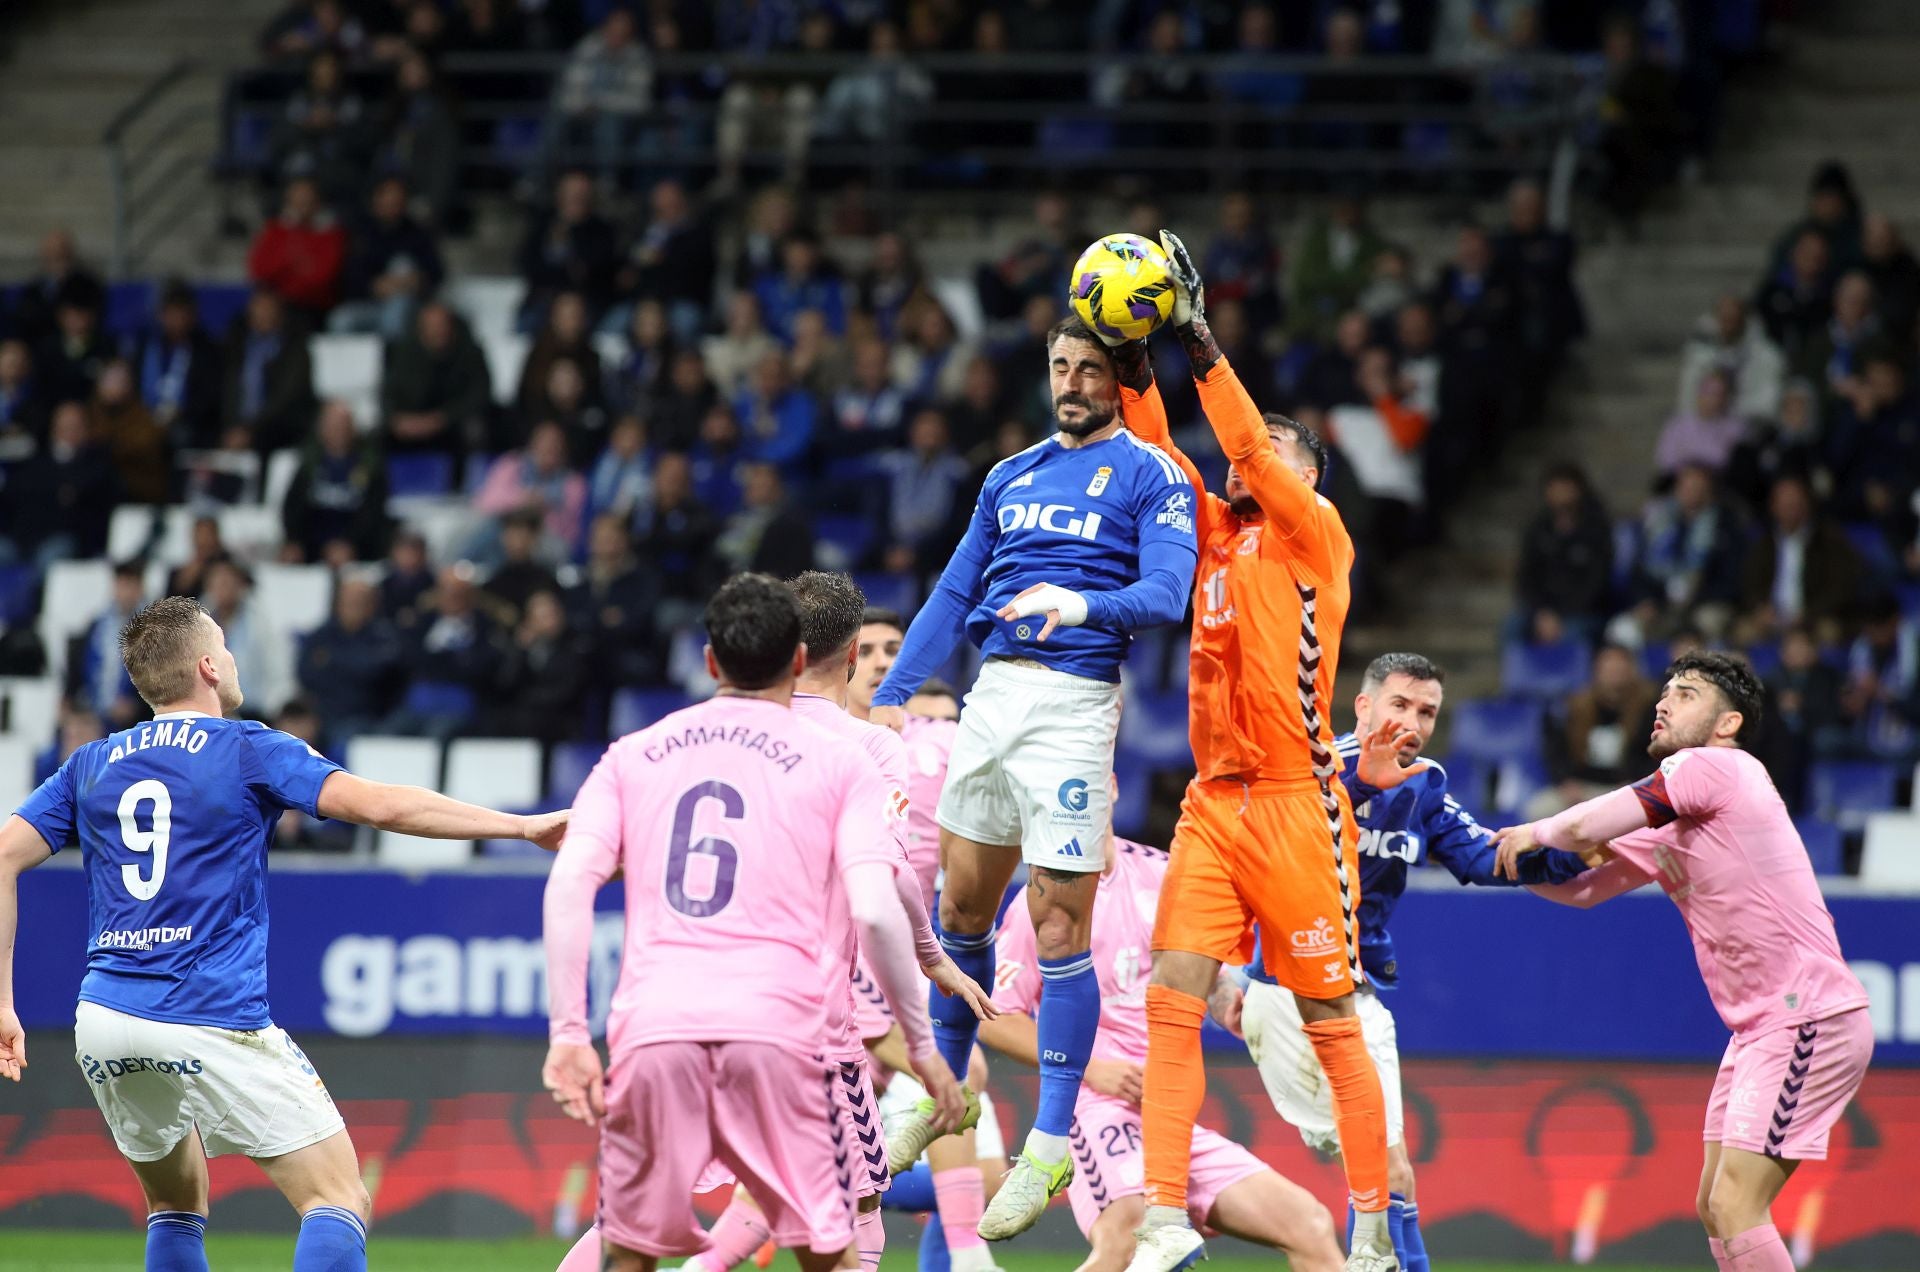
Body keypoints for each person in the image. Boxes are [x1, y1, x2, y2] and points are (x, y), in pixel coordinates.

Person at [0, 595, 568, 1272]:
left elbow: (4, 856)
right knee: (338, 1197)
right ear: (209, 665)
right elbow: (381, 806)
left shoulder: (88, 763)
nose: (234, 660)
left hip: (103, 1016)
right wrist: (521, 826)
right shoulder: (247, 748)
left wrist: (3, 1002)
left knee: (175, 1206)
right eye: (227, 648)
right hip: (205, 1010)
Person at [867, 309, 1199, 1237]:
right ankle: (936, 1086)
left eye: (1090, 369)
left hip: (1075, 702)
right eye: (1061, 366)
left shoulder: (1154, 473)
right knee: (962, 911)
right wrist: (894, 693)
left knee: (1058, 921)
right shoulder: (1008, 475)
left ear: (1119, 377)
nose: (1072, 382)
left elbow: (1167, 594)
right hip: (991, 698)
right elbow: (954, 589)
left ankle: (1049, 1142)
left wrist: (1079, 599)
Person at [539, 573, 971, 1272]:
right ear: (807, 658)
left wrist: (567, 1035)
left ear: (710, 661)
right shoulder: (850, 756)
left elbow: (568, 886)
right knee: (840, 1235)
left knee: (627, 1246)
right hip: (789, 1033)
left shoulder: (636, 753)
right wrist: (922, 1040)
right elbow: (877, 899)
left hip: (656, 1026)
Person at [1113, 231, 1393, 1272]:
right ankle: (1164, 1214)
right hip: (1212, 804)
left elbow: (1239, 447)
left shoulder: (1316, 536)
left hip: (1293, 805)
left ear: (1303, 470)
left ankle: (1368, 1229)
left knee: (1329, 1018)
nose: (1246, 458)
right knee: (1170, 996)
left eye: (1268, 449)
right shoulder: (1217, 541)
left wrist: (1198, 341)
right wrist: (1141, 364)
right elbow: (1158, 460)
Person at [1495, 652, 1873, 1272]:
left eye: (1687, 693)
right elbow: (1583, 888)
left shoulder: (1718, 767)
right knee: (1712, 1204)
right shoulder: (1673, 818)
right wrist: (1483, 855)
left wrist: (1533, 832)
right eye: (1665, 692)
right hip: (1758, 1029)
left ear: (1727, 723)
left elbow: (1584, 823)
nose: (1663, 703)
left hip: (1809, 1015)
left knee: (1734, 1203)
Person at [1224, 653, 1588, 1272]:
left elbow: (1481, 859)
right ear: (1363, 706)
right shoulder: (1308, 768)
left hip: (1350, 994)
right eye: (1400, 705)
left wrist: (1575, 857)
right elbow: (1253, 859)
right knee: (1376, 1167)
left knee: (1386, 1168)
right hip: (1285, 995)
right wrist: (1364, 780)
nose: (1413, 723)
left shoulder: (1424, 784)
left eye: (1427, 712)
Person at [986, 832, 1344, 1272]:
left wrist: (1229, 1006)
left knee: (1309, 1224)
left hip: (1168, 1118)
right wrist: (1095, 1071)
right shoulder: (1041, 898)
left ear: (1111, 786)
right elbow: (998, 1017)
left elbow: (1205, 977)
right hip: (1096, 1109)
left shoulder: (1165, 872)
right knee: (1128, 1240)